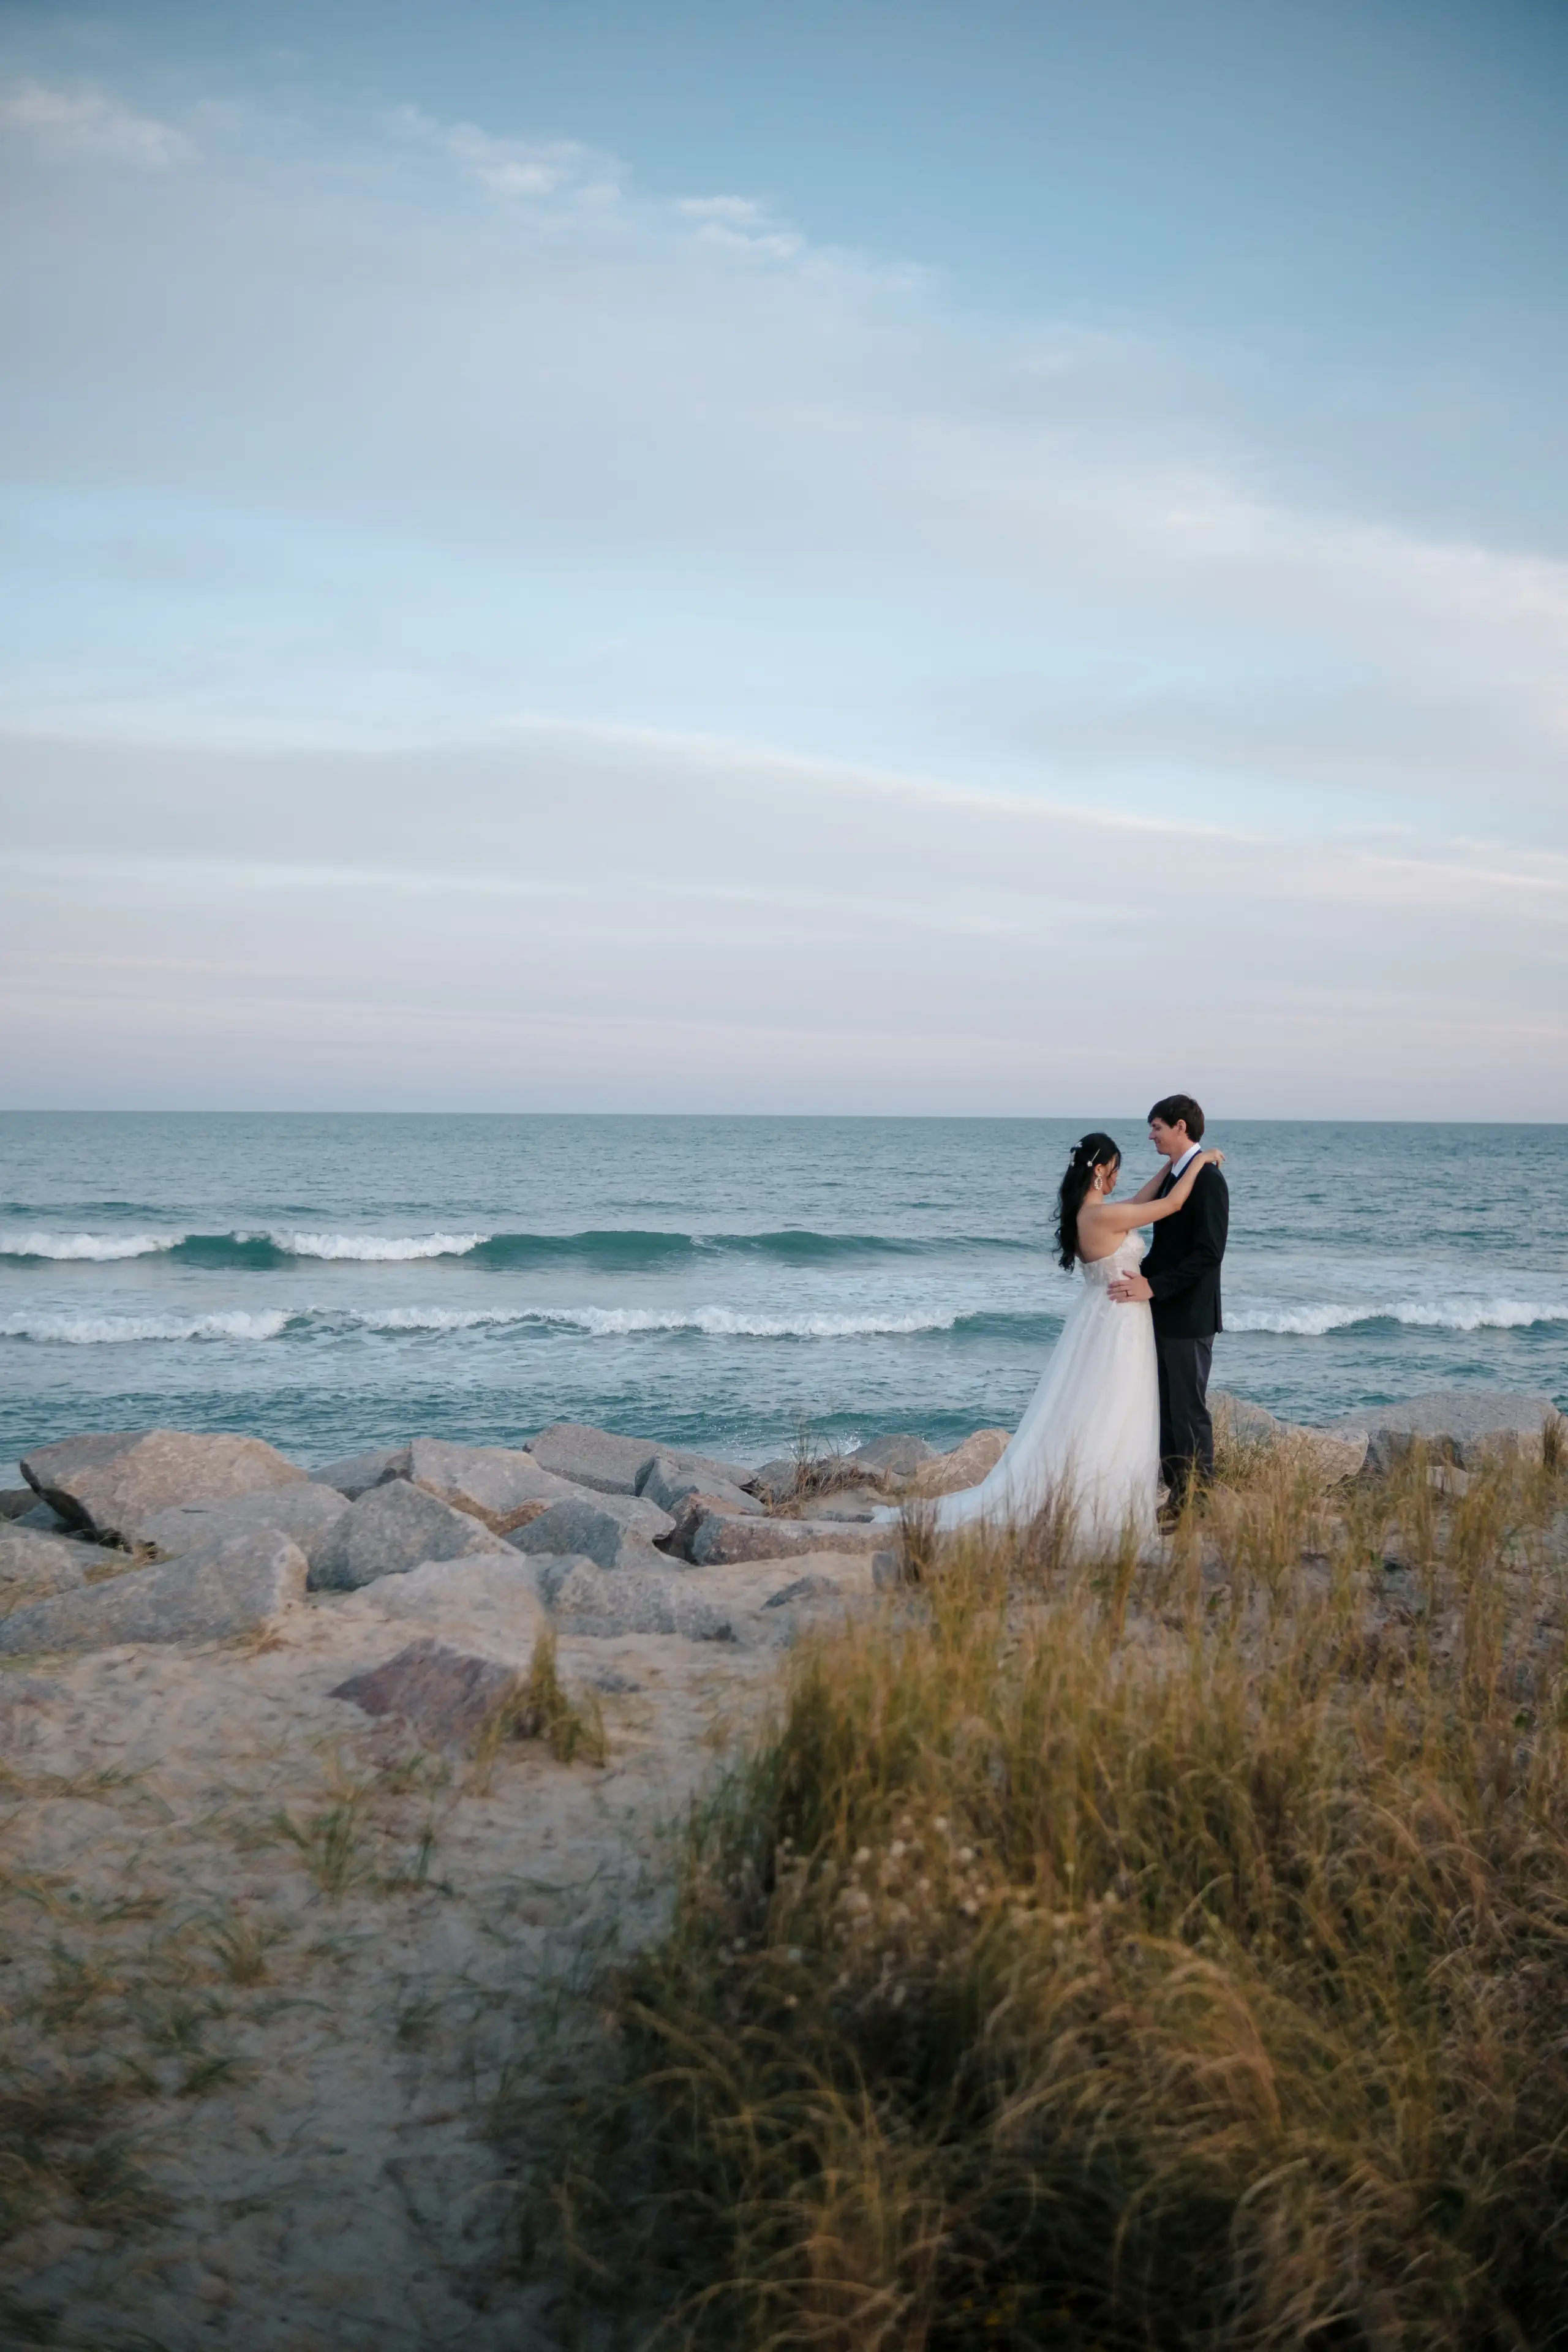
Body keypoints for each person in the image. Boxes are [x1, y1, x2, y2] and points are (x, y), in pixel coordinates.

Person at [889, 1121, 1223, 1548]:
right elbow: (1173, 1204)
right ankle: (1106, 1499)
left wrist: (1176, 1163)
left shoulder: (1088, 1213)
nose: (1120, 1178)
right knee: (1118, 1408)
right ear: (1101, 1171)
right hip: (1120, 1323)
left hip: (1099, 1317)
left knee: (1096, 1406)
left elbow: (1142, 1199)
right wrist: (1200, 1160)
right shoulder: (1103, 1214)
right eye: (1116, 1169)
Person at [1107, 1093, 1228, 1504]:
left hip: (1190, 1314)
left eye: (1157, 1127)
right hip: (1162, 1310)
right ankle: (1178, 1494)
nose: (1150, 1135)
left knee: (1188, 1410)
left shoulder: (1208, 1180)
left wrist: (1153, 1286)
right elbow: (1168, 1243)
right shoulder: (1181, 1174)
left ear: (1181, 1127)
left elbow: (1209, 1253)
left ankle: (1199, 1500)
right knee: (1166, 1409)